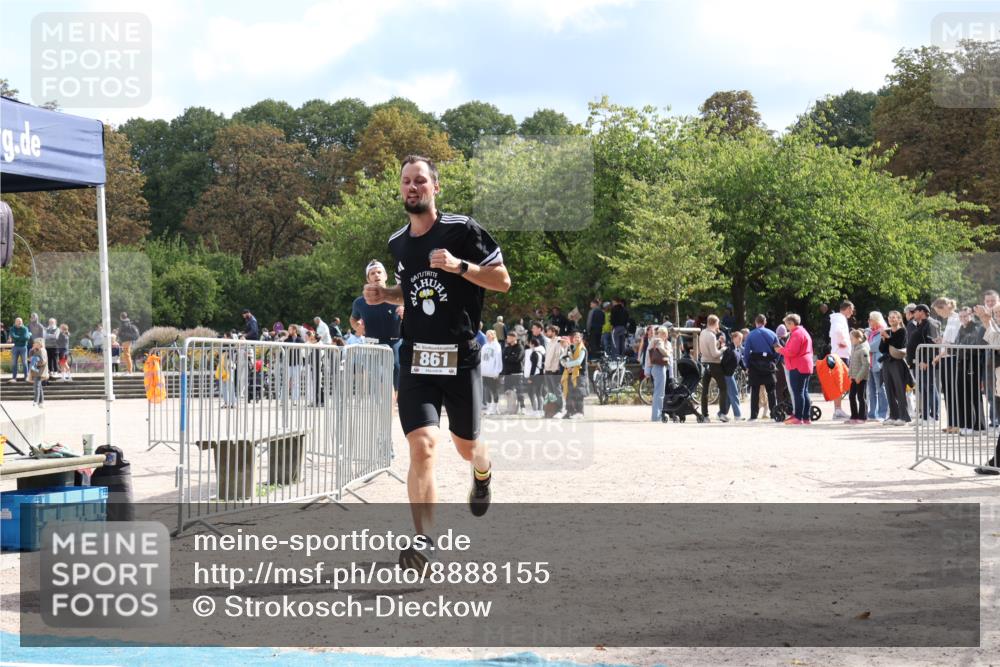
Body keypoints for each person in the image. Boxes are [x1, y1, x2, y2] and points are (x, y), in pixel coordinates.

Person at [363, 155, 510, 569]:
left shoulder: (462, 230)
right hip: (416, 359)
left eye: (420, 181)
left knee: (467, 448)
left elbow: (502, 280)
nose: (413, 187)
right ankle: (425, 541)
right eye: (406, 181)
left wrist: (460, 266)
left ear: (435, 187)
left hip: (460, 357)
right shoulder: (398, 242)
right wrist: (385, 295)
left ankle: (482, 471)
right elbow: (410, 289)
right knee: (423, 446)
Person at [776, 313, 814, 425]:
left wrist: (780, 350)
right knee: (804, 392)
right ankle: (806, 417)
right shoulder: (803, 331)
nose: (786, 327)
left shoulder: (797, 334)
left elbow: (792, 352)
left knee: (798, 392)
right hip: (805, 365)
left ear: (791, 323)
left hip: (798, 365)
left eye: (787, 324)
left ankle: (798, 417)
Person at [907, 304, 941, 425]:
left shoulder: (931, 324)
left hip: (927, 362)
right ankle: (925, 416)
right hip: (918, 362)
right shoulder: (921, 324)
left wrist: (926, 360)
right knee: (923, 389)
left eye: (915, 311)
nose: (913, 314)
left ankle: (934, 416)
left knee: (930, 388)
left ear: (922, 312)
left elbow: (932, 345)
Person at [743, 314, 780, 422]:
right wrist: (774, 361)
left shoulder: (751, 335)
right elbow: (778, 350)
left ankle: (753, 416)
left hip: (755, 364)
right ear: (765, 322)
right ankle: (774, 415)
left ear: (756, 322)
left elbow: (746, 352)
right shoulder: (772, 334)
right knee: (771, 391)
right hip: (769, 363)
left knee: (755, 391)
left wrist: (747, 365)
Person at [955, 306, 985, 436]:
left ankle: (978, 426)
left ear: (971, 315)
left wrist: (960, 346)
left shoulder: (977, 327)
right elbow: (957, 343)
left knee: (973, 394)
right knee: (962, 394)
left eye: (965, 316)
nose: (963, 318)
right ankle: (966, 424)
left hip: (973, 362)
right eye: (961, 316)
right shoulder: (961, 328)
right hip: (961, 363)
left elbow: (975, 343)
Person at [879, 310, 911, 425]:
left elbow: (898, 345)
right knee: (889, 389)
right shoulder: (887, 331)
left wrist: (887, 338)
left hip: (897, 362)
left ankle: (904, 417)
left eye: (894, 317)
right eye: (890, 317)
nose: (891, 319)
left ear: (899, 319)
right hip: (886, 362)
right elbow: (882, 349)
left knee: (899, 389)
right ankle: (893, 415)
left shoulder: (902, 331)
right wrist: (884, 339)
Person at [699, 314, 730, 422]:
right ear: (715, 323)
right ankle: (722, 413)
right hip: (714, 364)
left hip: (704, 363)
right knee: (723, 388)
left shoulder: (703, 332)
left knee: (705, 390)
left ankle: (705, 415)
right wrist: (723, 349)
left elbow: (708, 348)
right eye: (718, 323)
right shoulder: (712, 335)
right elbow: (715, 354)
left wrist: (718, 342)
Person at [828, 301, 854, 420]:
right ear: (847, 308)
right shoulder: (840, 318)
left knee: (839, 382)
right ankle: (838, 410)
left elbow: (833, 333)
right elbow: (837, 331)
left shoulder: (837, 318)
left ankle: (838, 409)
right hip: (841, 355)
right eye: (851, 310)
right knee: (839, 382)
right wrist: (843, 342)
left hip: (839, 354)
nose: (852, 312)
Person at [865, 312, 889, 422]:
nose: (868, 321)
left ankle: (882, 414)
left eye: (870, 319)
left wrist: (865, 346)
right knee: (871, 390)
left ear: (876, 320)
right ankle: (872, 414)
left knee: (880, 390)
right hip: (870, 364)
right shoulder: (870, 332)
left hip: (878, 364)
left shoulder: (881, 331)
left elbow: (874, 347)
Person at [560, 331, 587, 419]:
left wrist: (568, 365)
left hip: (580, 375)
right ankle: (570, 411)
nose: (576, 339)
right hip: (569, 374)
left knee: (579, 394)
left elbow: (579, 361)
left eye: (578, 337)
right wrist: (565, 365)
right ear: (572, 339)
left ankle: (580, 412)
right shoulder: (570, 347)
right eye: (575, 337)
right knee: (569, 394)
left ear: (581, 339)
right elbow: (562, 358)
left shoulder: (582, 349)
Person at [847, 329, 870, 423]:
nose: (850, 340)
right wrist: (850, 374)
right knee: (851, 396)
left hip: (861, 378)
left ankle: (862, 417)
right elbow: (851, 363)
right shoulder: (853, 349)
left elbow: (866, 365)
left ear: (858, 338)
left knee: (861, 397)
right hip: (853, 377)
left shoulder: (863, 350)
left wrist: (859, 377)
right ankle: (854, 416)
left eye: (852, 338)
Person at [648, 326, 671, 422]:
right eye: (666, 334)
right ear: (663, 334)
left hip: (654, 367)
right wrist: (668, 352)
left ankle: (656, 415)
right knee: (660, 393)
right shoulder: (659, 341)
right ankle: (657, 416)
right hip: (659, 367)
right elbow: (663, 351)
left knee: (657, 392)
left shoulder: (653, 340)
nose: (667, 336)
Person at [480, 329, 503, 414]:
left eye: (489, 335)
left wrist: (497, 371)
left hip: (493, 372)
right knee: (487, 390)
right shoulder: (484, 346)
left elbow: (498, 359)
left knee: (494, 390)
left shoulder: (497, 346)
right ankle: (489, 407)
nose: (487, 336)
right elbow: (482, 359)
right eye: (487, 335)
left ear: (493, 336)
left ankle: (495, 407)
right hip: (485, 372)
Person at [523, 337, 546, 417]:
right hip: (541, 374)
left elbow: (533, 366)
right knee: (539, 393)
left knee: (533, 393)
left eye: (530, 343)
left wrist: (531, 377)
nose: (529, 345)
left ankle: (536, 410)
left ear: (532, 344)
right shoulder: (541, 352)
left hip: (535, 375)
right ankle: (541, 410)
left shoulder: (534, 353)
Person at [8, 317, 30, 382]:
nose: (19, 322)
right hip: (15, 347)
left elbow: (26, 337)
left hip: (23, 347)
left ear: (22, 322)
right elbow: (13, 336)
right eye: (18, 321)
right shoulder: (12, 328)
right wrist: (21, 338)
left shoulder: (25, 328)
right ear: (15, 322)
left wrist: (17, 338)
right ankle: (14, 378)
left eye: (20, 321)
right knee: (14, 363)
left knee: (25, 363)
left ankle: (26, 377)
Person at [28, 339, 48, 407]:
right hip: (36, 370)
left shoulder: (42, 350)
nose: (34, 344)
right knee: (39, 386)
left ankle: (35, 401)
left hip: (39, 370)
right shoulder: (35, 350)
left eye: (36, 343)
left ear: (39, 344)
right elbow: (30, 358)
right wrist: (32, 350)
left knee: (37, 386)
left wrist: (35, 363)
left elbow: (43, 361)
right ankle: (41, 402)